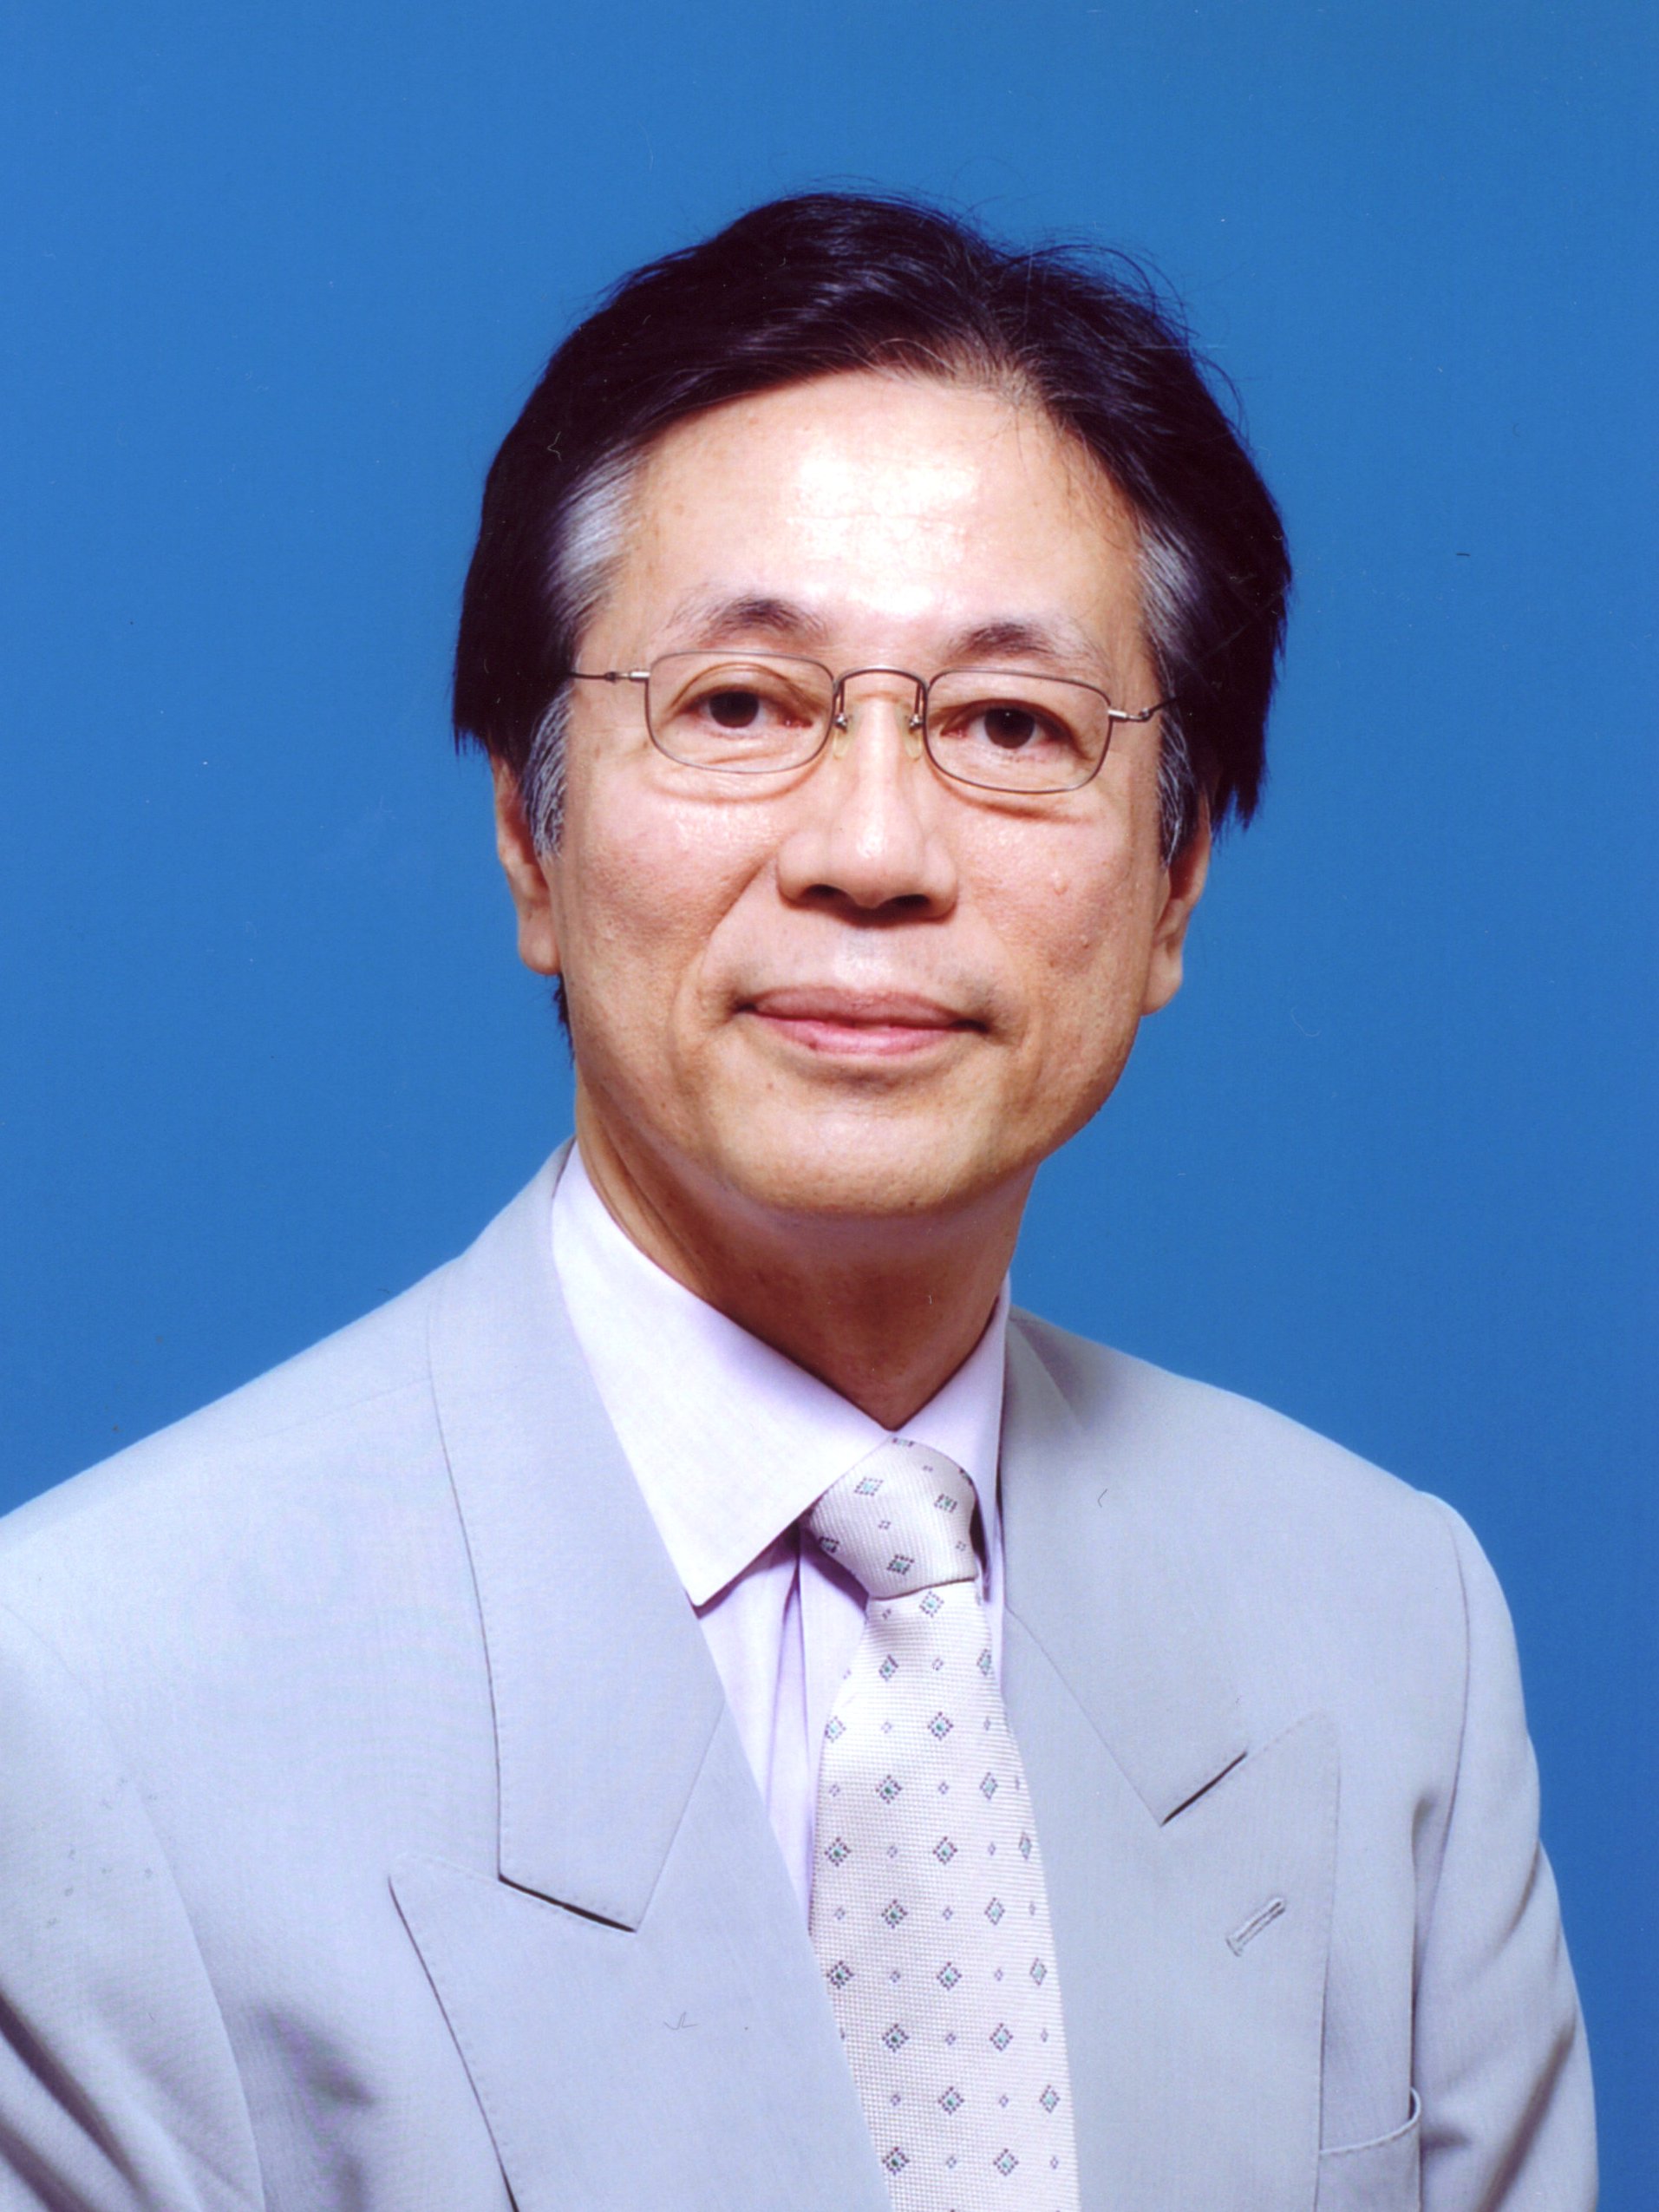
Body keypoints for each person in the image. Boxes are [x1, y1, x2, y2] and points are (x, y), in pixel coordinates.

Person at [0, 193, 1592, 2212]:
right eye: (740, 704)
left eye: (1012, 724)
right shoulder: (79, 1695)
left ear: (1174, 885)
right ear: (527, 838)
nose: (873, 847)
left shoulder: (1390, 1621)